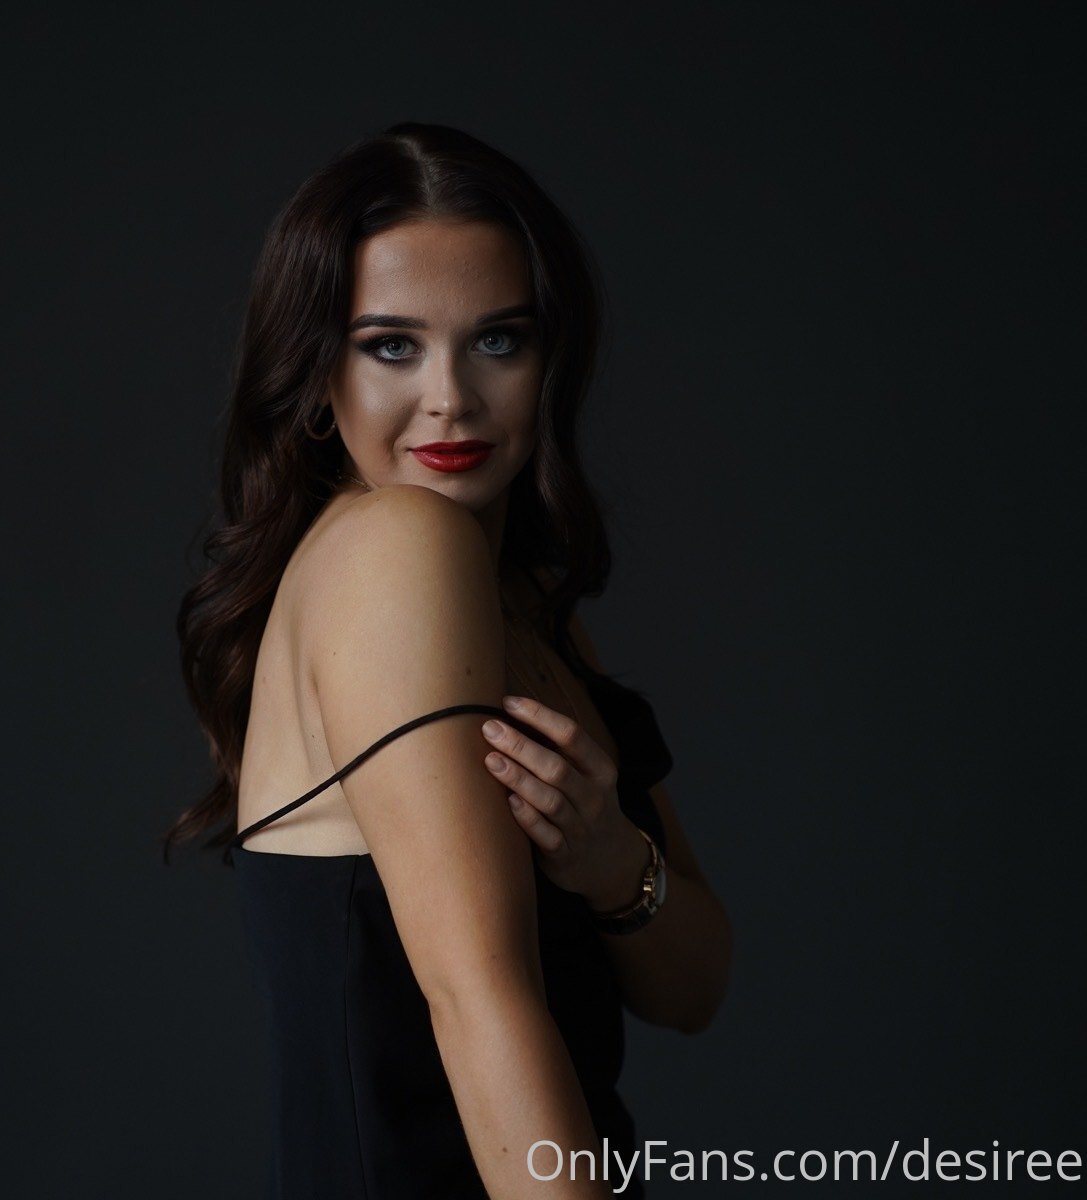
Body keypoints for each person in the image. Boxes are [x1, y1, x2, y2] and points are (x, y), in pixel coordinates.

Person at [168, 122, 733, 1199]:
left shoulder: (517, 598)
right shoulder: (401, 545)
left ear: (547, 360)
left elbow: (694, 988)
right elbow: (477, 999)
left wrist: (610, 861)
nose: (451, 398)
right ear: (315, 372)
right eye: (392, 346)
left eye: (498, 341)